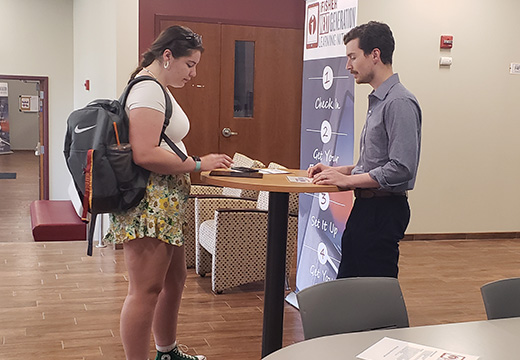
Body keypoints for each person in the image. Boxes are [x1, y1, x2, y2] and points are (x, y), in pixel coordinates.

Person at [104, 25, 233, 360]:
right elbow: (144, 153)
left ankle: (167, 352)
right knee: (145, 290)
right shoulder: (148, 90)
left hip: (165, 201)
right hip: (150, 202)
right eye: (190, 64)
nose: (194, 72)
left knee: (174, 280)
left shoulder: (156, 87)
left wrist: (195, 164)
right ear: (167, 56)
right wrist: (197, 164)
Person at [308, 21, 422, 279]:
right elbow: (375, 164)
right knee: (352, 287)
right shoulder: (379, 101)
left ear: (375, 55)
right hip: (367, 209)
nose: (348, 66)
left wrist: (348, 180)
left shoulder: (399, 102)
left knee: (374, 293)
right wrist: (338, 171)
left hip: (382, 212)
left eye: (352, 57)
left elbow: (401, 168)